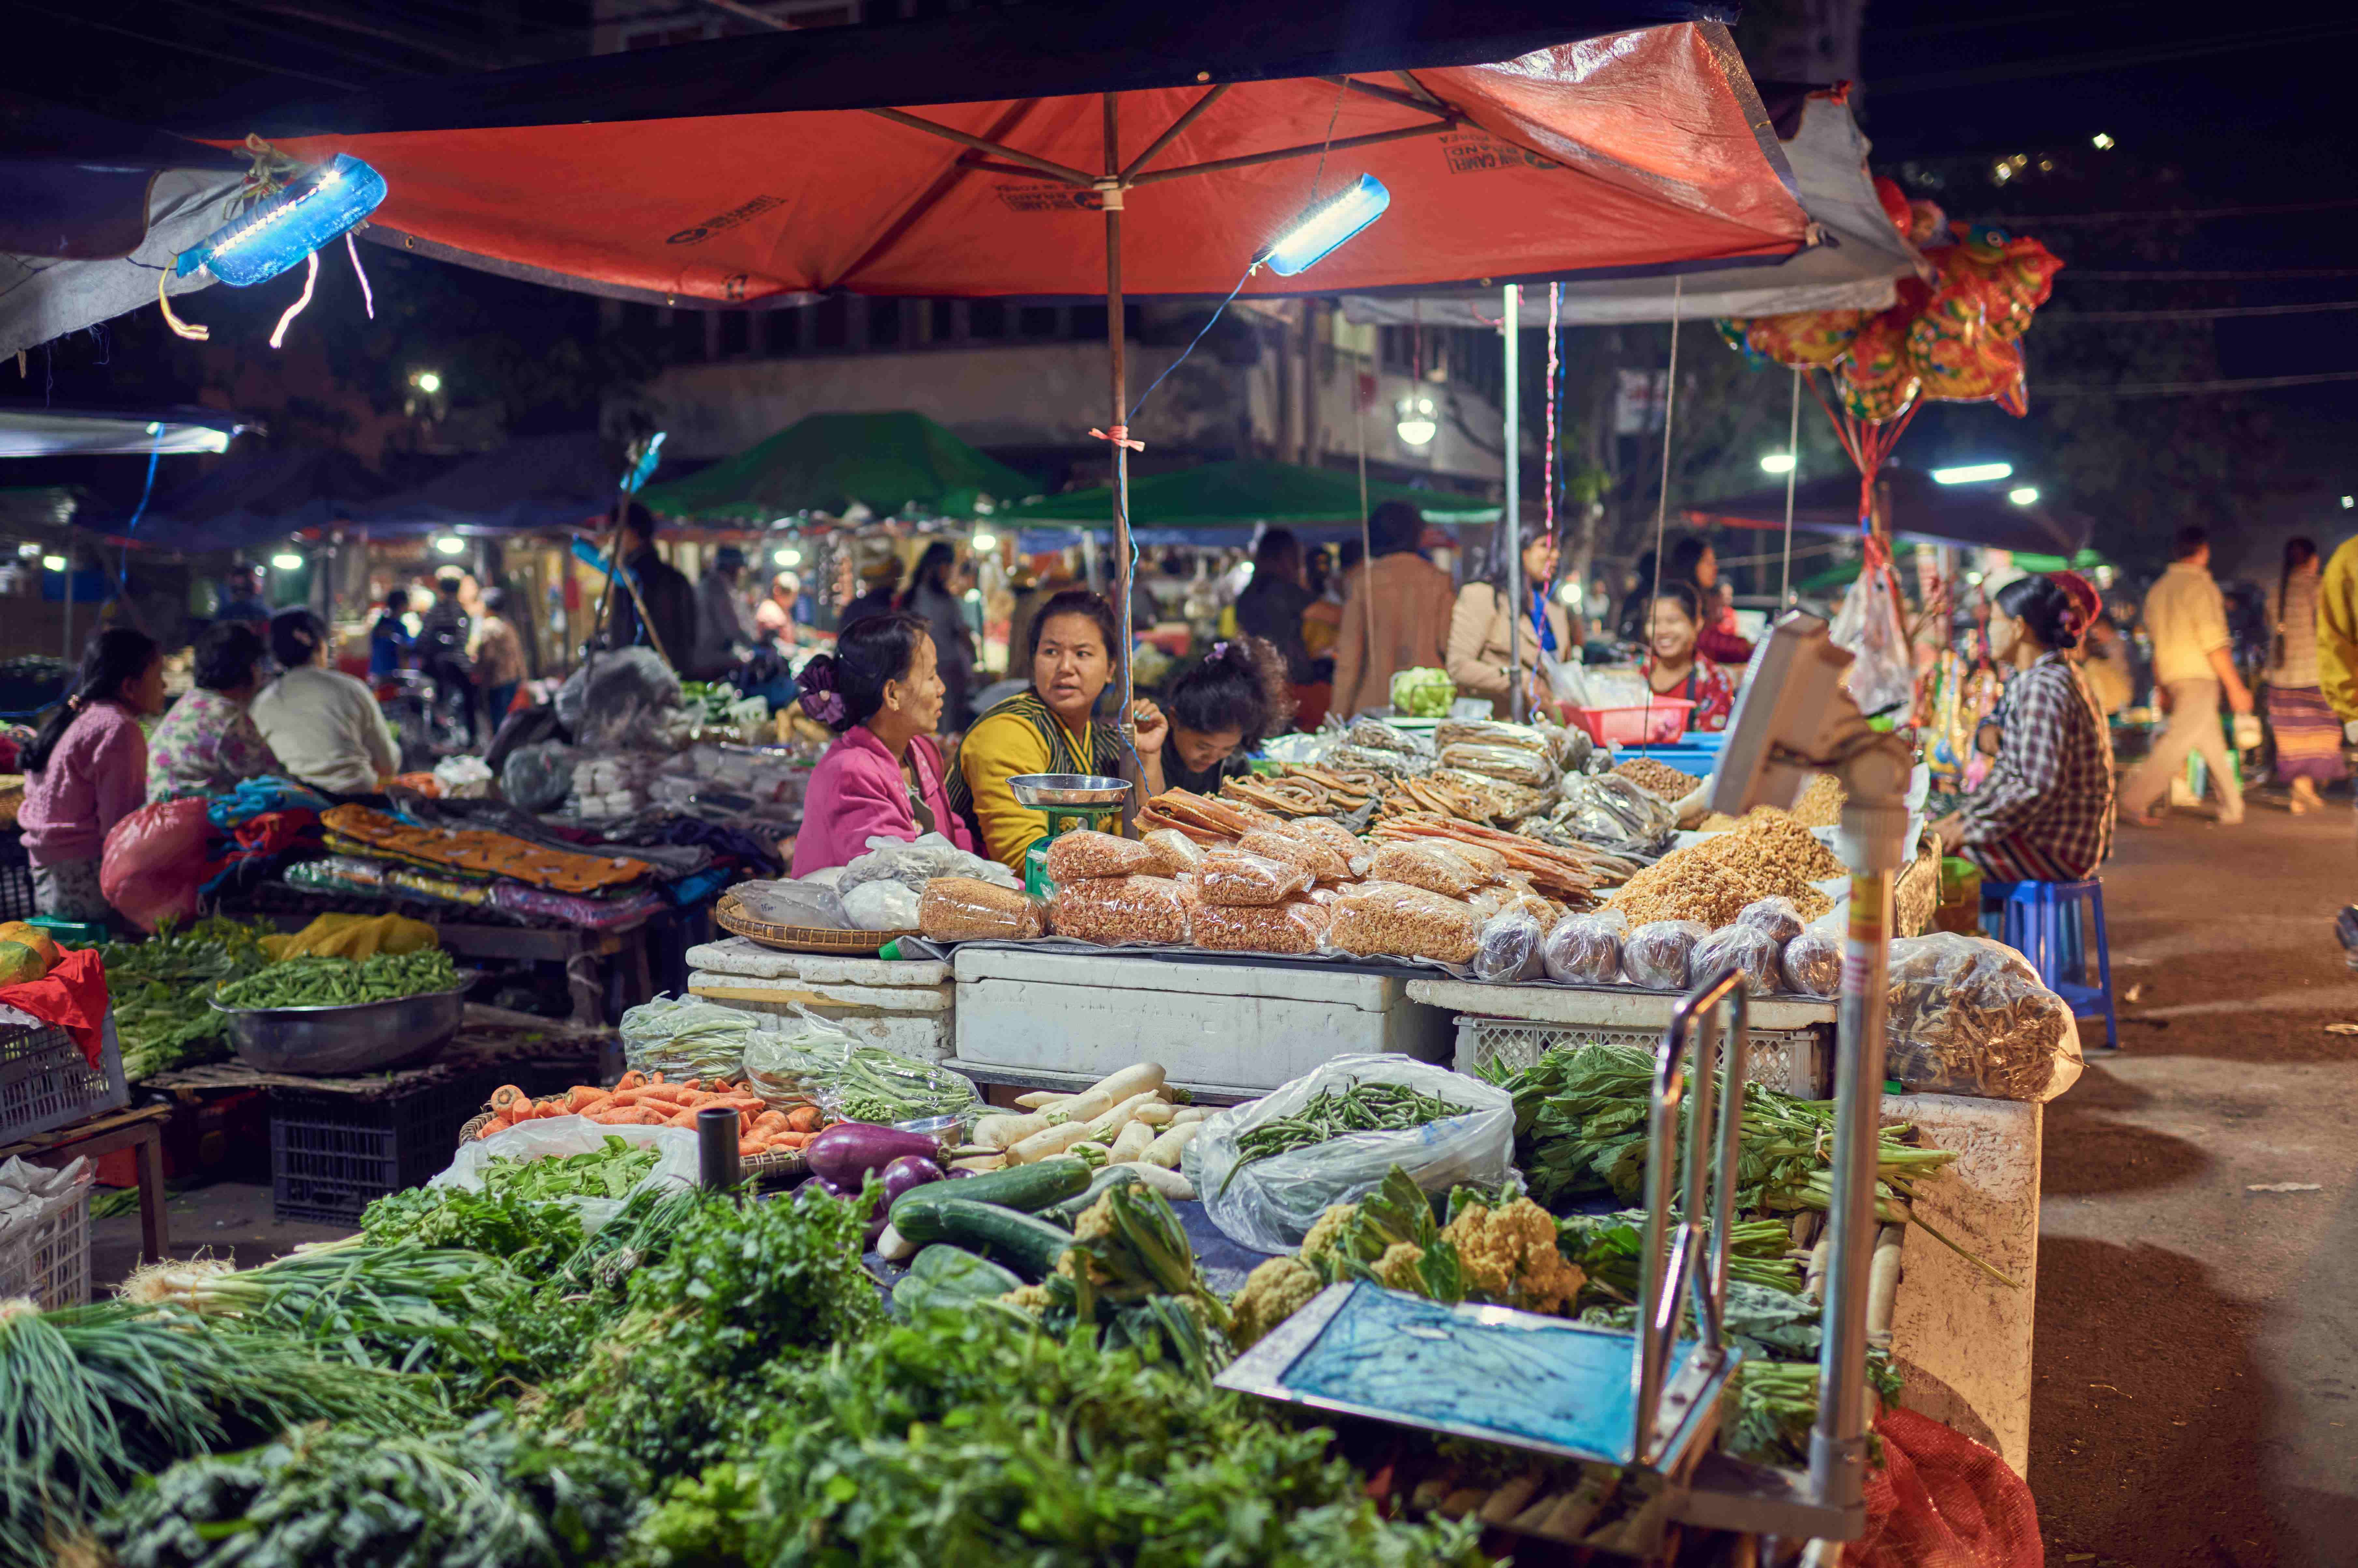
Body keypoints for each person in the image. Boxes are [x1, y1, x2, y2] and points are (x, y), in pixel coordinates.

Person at [1933, 575, 2116, 883]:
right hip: (2046, 836)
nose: (1988, 632)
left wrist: (1965, 829)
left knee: (1929, 865)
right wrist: (1960, 819)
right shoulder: (2034, 679)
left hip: (2056, 848)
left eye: (1994, 621)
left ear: (2019, 628)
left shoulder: (2043, 687)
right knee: (1935, 834)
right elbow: (2010, 773)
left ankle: (1968, 933)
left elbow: (2034, 787)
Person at [950, 589, 1137, 871]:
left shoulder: (1105, 740)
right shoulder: (1007, 732)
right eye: (1051, 652)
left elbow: (1140, 839)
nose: (1065, 667)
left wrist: (1146, 755)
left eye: (1082, 653)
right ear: (1033, 660)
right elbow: (1026, 859)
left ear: (1111, 668)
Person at [787, 613, 972, 876]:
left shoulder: (921, 751)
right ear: (893, 694)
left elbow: (954, 837)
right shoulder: (850, 773)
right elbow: (891, 880)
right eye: (931, 677)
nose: (941, 688)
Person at [19, 629, 165, 921]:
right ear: (130, 687)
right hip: (84, 882)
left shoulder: (82, 716)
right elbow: (121, 832)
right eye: (158, 675)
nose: (164, 684)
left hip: (49, 882)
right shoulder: (118, 728)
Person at [2120, 525, 2252, 827]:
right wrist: (2235, 686)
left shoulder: (2158, 590)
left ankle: (2233, 807)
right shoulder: (2201, 587)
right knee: (2177, 742)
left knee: (2211, 742)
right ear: (2203, 551)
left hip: (2172, 675)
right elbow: (2213, 642)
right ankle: (2132, 801)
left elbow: (2153, 645)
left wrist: (2161, 685)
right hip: (2198, 676)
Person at [250, 608, 401, 797]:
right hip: (357, 805)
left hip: (294, 805)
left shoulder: (262, 703)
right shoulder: (351, 689)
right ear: (320, 646)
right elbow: (387, 764)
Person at [1330, 501, 1456, 719]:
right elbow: (1450, 648)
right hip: (1426, 703)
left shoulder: (1362, 582)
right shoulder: (1440, 581)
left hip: (1374, 707)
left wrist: (1336, 715)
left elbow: (1348, 661)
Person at [1447, 529, 1580, 718]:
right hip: (1500, 730)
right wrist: (1519, 681)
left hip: (1548, 731)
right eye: (1545, 546)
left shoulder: (1554, 608)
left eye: (1557, 547)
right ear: (1518, 548)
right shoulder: (1483, 596)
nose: (1556, 555)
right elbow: (1459, 667)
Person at [1138, 636, 1294, 796]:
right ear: (1174, 719)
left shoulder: (1234, 765)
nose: (1213, 758)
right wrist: (1148, 755)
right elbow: (1144, 811)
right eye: (1203, 746)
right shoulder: (1151, 745)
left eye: (1228, 748)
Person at [147, 622, 279, 801]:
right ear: (250, 670)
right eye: (258, 665)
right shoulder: (226, 716)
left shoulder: (188, 703)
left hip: (157, 819)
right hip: (194, 824)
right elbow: (273, 782)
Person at [2264, 537, 2340, 814]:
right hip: (2312, 673)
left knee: (2293, 735)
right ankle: (2305, 788)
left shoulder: (2276, 589)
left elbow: (2269, 624)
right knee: (2322, 733)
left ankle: (2301, 790)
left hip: (2281, 676)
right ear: (2312, 559)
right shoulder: (2316, 586)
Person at [604, 502, 697, 668]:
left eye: (617, 533)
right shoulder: (677, 578)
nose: (613, 540)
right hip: (675, 674)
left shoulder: (629, 581)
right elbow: (691, 636)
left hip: (639, 678)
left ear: (633, 533)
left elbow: (622, 638)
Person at [900, 541, 978, 732]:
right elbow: (964, 635)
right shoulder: (936, 601)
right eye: (948, 565)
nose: (950, 571)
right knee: (943, 724)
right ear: (936, 566)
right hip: (938, 671)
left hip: (935, 671)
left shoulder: (914, 598)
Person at [1640, 582, 1736, 732]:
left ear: (1697, 623)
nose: (1662, 631)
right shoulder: (1636, 671)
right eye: (1654, 622)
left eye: (1673, 621)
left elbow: (1708, 746)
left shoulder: (1714, 681)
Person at [1666, 536, 1754, 666]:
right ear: (1691, 564)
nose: (1715, 568)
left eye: (1715, 563)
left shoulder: (1702, 597)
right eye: (1708, 563)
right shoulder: (1679, 599)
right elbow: (1705, 641)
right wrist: (1747, 648)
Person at [419, 571, 477, 744]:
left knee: (433, 699)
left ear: (441, 589)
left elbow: (424, 637)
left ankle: (437, 735)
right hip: (459, 664)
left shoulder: (434, 611)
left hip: (436, 666)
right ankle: (472, 737)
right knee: (469, 699)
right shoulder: (462, 612)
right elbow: (464, 639)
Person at [688, 544, 758, 679]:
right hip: (711, 658)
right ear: (732, 567)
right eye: (739, 569)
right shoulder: (717, 586)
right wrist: (756, 645)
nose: (740, 574)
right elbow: (733, 629)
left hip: (708, 655)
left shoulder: (711, 583)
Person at [471, 586, 528, 731]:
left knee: (499, 721)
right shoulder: (507, 625)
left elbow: (487, 657)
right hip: (512, 678)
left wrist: (477, 673)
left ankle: (501, 751)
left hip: (497, 681)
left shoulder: (489, 626)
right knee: (508, 719)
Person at [755, 570, 817, 648]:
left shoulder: (782, 609)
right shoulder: (769, 608)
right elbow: (772, 643)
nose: (794, 599)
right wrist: (797, 650)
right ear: (777, 591)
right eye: (790, 594)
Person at [368, 587, 414, 677]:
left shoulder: (380, 625)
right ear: (401, 605)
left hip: (374, 675)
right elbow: (404, 656)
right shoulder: (400, 628)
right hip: (392, 677)